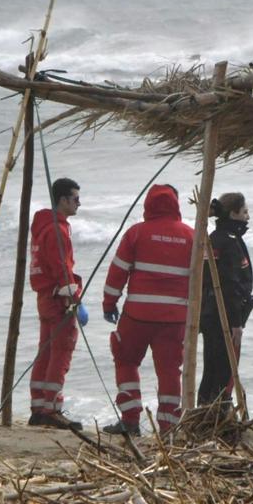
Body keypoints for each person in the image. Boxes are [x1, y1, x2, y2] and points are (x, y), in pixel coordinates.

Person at [101, 184, 194, 435]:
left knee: (126, 360)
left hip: (137, 316)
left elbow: (117, 272)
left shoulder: (136, 233)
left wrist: (109, 303)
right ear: (176, 205)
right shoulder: (190, 235)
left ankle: (130, 419)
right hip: (174, 319)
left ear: (148, 204)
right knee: (169, 372)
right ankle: (168, 428)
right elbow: (201, 280)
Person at [28, 177, 88, 429]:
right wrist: (75, 301)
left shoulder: (45, 226)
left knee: (46, 351)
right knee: (60, 352)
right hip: (58, 299)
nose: (79, 203)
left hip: (45, 297)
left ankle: (39, 406)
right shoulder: (56, 229)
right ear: (62, 199)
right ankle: (51, 409)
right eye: (75, 198)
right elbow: (62, 268)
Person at [197, 193, 253, 406]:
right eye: (245, 212)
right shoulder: (229, 242)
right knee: (225, 370)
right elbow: (230, 286)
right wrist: (236, 323)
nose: (248, 217)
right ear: (233, 213)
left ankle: (205, 411)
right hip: (223, 315)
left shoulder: (214, 238)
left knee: (211, 367)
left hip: (210, 313)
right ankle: (217, 415)